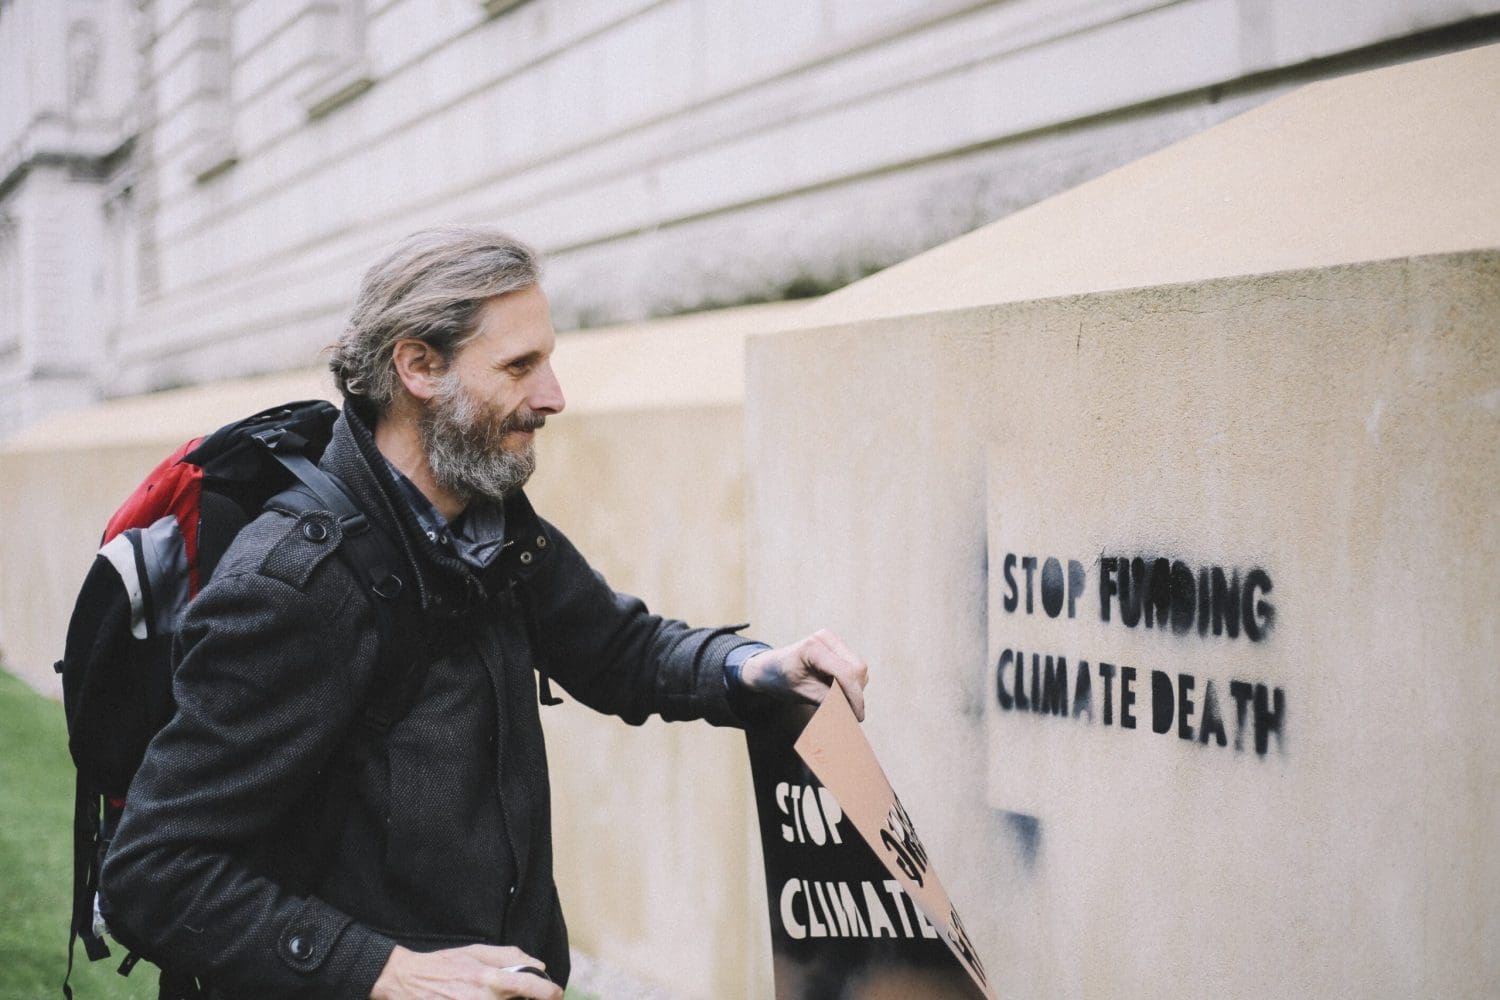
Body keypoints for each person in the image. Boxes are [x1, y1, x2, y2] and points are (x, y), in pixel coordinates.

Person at [99, 226, 869, 1000]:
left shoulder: (488, 519)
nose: (553, 397)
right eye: (519, 366)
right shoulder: (291, 589)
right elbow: (151, 874)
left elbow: (620, 651)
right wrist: (379, 970)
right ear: (418, 367)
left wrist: (756, 667)